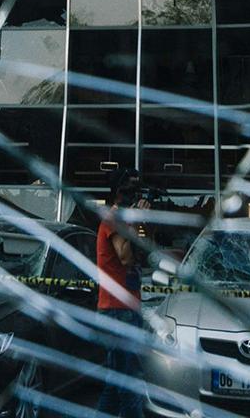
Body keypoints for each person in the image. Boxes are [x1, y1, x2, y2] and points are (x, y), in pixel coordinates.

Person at [93, 172, 147, 418]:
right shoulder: (112, 219)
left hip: (124, 308)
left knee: (117, 383)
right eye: (131, 193)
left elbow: (138, 255)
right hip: (117, 309)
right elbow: (124, 256)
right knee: (128, 385)